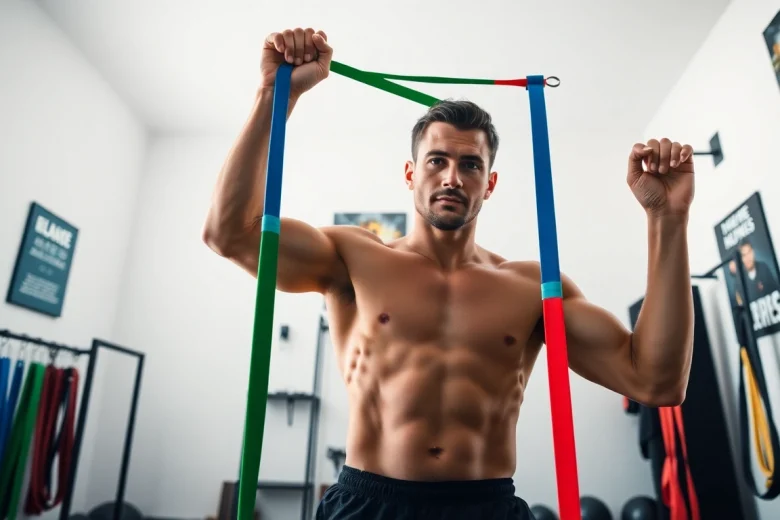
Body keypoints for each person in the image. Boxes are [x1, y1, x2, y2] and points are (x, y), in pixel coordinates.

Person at [203, 27, 697, 520]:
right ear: (410, 174)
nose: (452, 177)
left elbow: (655, 381)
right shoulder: (350, 257)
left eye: (471, 164)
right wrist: (274, 95)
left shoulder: (534, 286)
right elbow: (231, 234)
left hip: (486, 507)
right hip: (368, 504)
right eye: (436, 160)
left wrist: (667, 219)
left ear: (490, 183)